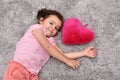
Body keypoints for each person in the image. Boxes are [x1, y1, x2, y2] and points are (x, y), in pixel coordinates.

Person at [3, 8, 97, 80]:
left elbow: (62, 55)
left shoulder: (51, 41)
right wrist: (67, 61)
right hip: (18, 67)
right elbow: (47, 48)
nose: (53, 28)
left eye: (56, 28)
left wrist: (83, 53)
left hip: (32, 75)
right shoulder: (36, 28)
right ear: (41, 19)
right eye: (51, 23)